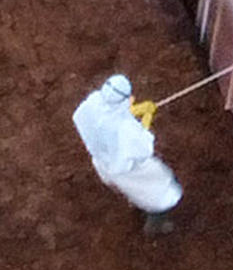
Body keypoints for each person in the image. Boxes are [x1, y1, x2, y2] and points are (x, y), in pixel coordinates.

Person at [73, 70, 181, 231]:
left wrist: (136, 110)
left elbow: (108, 116)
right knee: (160, 190)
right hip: (128, 170)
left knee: (133, 191)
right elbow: (143, 148)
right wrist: (147, 117)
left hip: (103, 164)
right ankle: (155, 225)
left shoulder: (92, 103)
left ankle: (139, 205)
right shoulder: (126, 129)